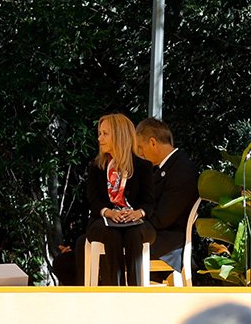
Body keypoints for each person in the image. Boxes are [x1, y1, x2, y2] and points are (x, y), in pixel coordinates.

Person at [85, 113, 155, 286]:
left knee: (134, 233)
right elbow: (93, 201)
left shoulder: (143, 167)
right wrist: (108, 213)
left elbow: (150, 202)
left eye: (105, 133)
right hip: (104, 220)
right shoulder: (96, 167)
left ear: (119, 135)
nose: (99, 138)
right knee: (112, 234)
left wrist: (138, 213)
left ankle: (136, 291)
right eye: (100, 133)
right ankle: (114, 291)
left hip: (134, 221)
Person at [135, 117, 200, 276]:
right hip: (154, 234)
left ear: (153, 142)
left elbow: (161, 219)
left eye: (140, 147)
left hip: (166, 242)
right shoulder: (168, 167)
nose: (139, 153)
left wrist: (134, 218)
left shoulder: (181, 171)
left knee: (109, 244)